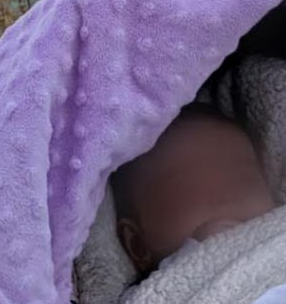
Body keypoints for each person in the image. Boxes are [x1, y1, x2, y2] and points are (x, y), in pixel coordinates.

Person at [112, 103, 276, 273]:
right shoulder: (159, 288)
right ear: (137, 245)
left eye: (243, 180)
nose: (230, 199)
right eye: (188, 191)